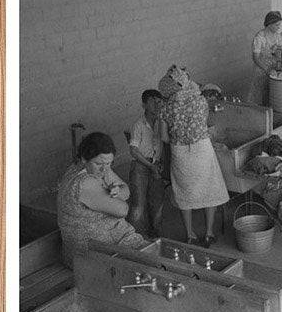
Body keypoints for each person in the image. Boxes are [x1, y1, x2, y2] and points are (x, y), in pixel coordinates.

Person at [160, 64, 229, 248]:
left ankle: (190, 234)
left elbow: (164, 138)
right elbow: (205, 124)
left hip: (180, 152)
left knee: (184, 191)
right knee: (210, 186)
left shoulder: (166, 107)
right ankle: (209, 233)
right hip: (202, 149)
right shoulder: (200, 101)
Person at [56, 131, 148, 267]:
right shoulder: (85, 183)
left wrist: (116, 192)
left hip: (105, 244)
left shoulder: (92, 167)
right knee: (160, 263)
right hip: (94, 253)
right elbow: (123, 210)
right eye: (100, 164)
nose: (105, 170)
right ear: (84, 159)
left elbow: (126, 190)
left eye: (109, 163)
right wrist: (116, 195)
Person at [127, 88, 166, 237]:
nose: (157, 106)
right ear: (144, 105)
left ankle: (156, 236)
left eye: (159, 102)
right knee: (138, 205)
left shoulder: (162, 122)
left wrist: (156, 166)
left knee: (157, 203)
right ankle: (133, 238)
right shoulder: (138, 125)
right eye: (152, 102)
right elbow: (133, 150)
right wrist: (150, 166)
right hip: (141, 165)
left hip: (156, 164)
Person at [248, 11, 282, 104]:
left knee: (273, 96)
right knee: (260, 96)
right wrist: (267, 70)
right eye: (277, 25)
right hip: (261, 69)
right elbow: (255, 58)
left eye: (279, 25)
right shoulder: (259, 37)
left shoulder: (278, 36)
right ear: (269, 24)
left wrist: (279, 62)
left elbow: (279, 53)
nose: (278, 27)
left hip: (274, 68)